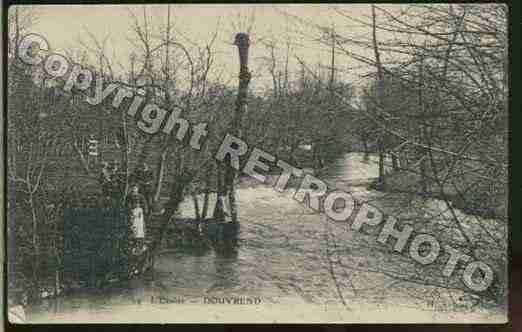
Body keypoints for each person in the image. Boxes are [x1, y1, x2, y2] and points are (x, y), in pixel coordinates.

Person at [126, 184, 148, 253]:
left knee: (139, 226)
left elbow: (144, 203)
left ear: (138, 189)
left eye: (135, 188)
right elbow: (126, 203)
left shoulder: (140, 196)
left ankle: (139, 242)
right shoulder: (129, 196)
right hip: (131, 211)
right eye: (133, 188)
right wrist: (128, 208)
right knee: (132, 225)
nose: (134, 189)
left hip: (138, 212)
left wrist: (144, 209)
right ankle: (132, 241)